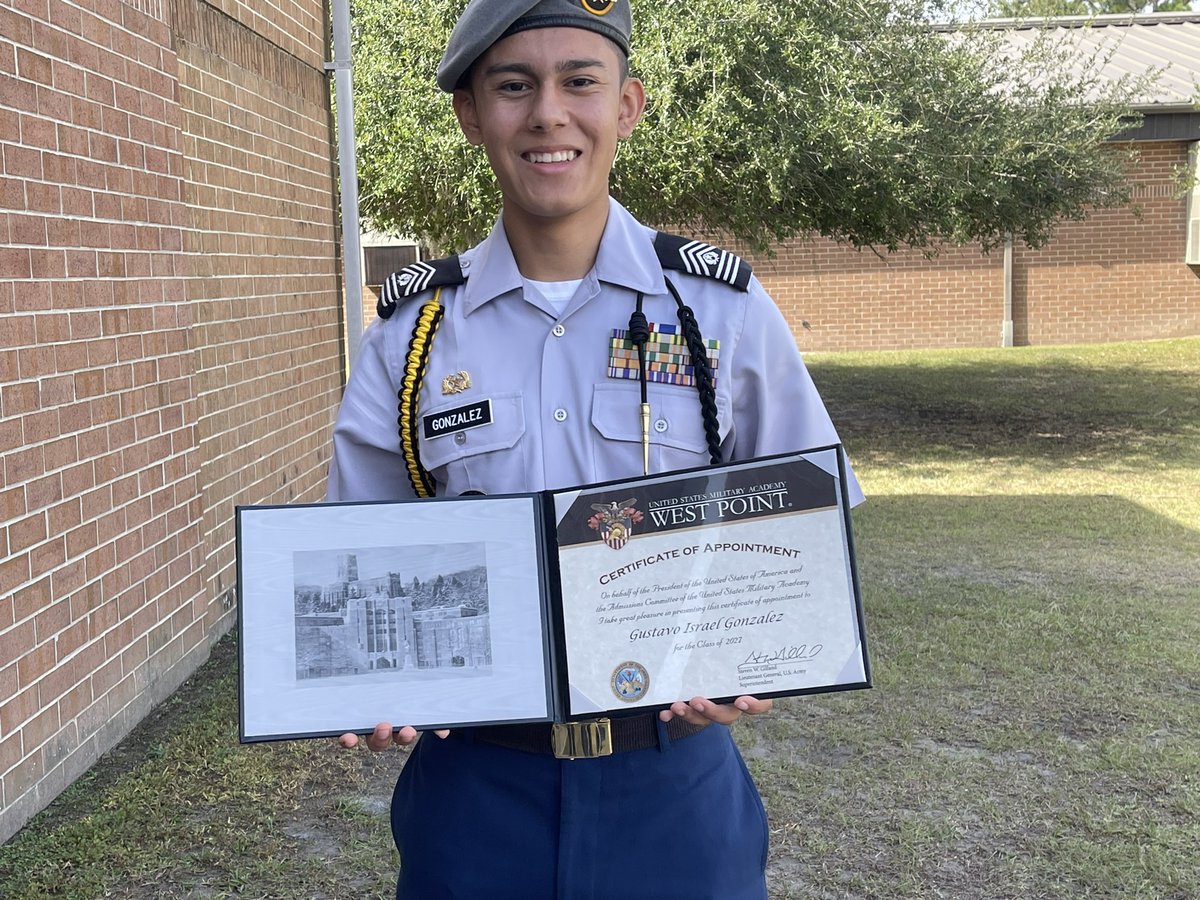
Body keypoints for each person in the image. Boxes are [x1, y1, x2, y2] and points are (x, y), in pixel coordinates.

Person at [327, 1, 861, 896]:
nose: (548, 113)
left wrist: (767, 657)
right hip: (474, 795)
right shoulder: (413, 337)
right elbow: (358, 547)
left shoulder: (718, 313)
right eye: (512, 85)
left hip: (676, 785)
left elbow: (811, 523)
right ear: (470, 114)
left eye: (581, 81)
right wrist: (368, 685)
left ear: (629, 105)